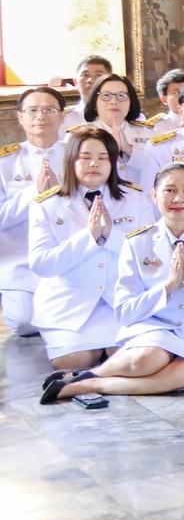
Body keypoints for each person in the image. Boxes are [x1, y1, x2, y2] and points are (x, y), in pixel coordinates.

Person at [40, 164, 184, 404]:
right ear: (154, 195)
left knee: (183, 377)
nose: (178, 198)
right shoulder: (137, 242)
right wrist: (166, 287)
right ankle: (95, 374)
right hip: (155, 331)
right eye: (169, 190)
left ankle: (86, 383)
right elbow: (124, 312)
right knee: (146, 359)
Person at [27, 128, 154, 369]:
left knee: (131, 358)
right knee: (75, 361)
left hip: (120, 299)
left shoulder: (135, 198)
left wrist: (111, 237)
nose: (94, 164)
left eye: (103, 157)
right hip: (70, 304)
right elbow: (41, 264)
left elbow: (149, 256)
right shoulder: (47, 204)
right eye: (85, 157)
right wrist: (89, 238)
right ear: (70, 160)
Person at [3, 87, 81, 335]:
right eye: (33, 110)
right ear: (20, 117)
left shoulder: (78, 155)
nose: (41, 116)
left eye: (49, 110)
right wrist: (34, 193)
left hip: (70, 258)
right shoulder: (5, 162)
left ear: (62, 115)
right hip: (21, 262)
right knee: (25, 322)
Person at [79, 74, 162, 189]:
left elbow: (162, 171)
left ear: (130, 103)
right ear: (94, 103)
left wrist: (129, 150)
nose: (114, 101)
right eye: (106, 95)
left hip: (142, 198)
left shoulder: (149, 133)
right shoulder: (79, 136)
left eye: (121, 96)